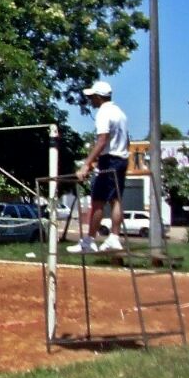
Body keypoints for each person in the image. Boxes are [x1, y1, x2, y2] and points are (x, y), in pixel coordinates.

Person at [69, 80, 130, 254]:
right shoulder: (120, 113)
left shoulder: (104, 113)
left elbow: (102, 140)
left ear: (98, 97)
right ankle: (114, 237)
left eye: (92, 97)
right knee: (116, 199)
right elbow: (125, 139)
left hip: (109, 160)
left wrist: (86, 164)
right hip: (121, 158)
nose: (90, 100)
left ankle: (89, 240)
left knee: (97, 201)